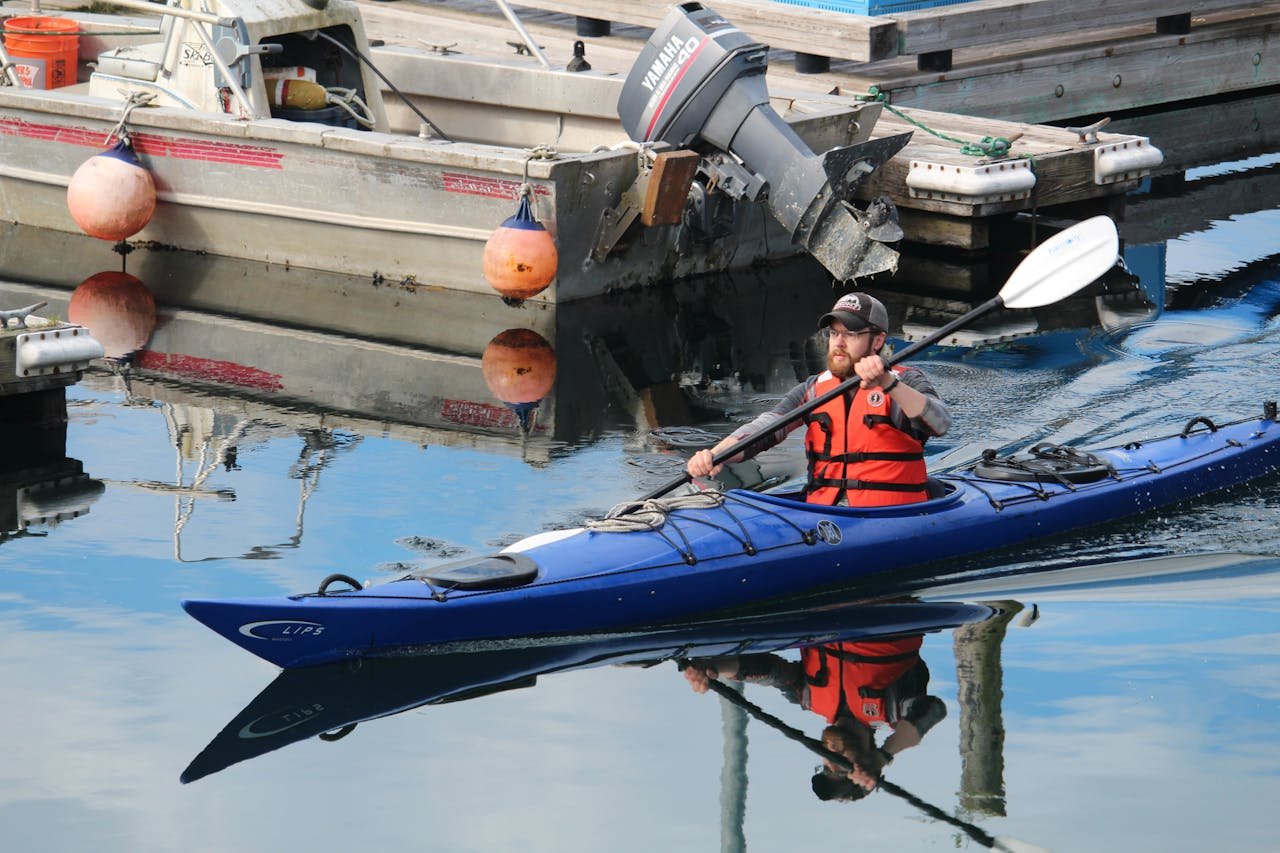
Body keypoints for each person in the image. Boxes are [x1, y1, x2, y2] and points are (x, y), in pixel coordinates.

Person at [686, 292, 951, 507]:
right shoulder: (814, 389)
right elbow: (765, 428)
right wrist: (717, 454)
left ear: (877, 340)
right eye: (834, 333)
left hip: (892, 514)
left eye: (851, 334)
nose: (839, 343)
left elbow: (940, 423)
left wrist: (888, 383)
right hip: (822, 512)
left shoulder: (905, 383)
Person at [683, 632, 946, 800]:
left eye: (824, 768)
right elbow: (933, 709)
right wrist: (883, 757)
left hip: (826, 607)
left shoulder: (809, 699)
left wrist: (714, 667)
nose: (829, 763)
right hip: (878, 604)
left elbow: (770, 672)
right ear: (865, 761)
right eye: (839, 771)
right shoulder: (890, 711)